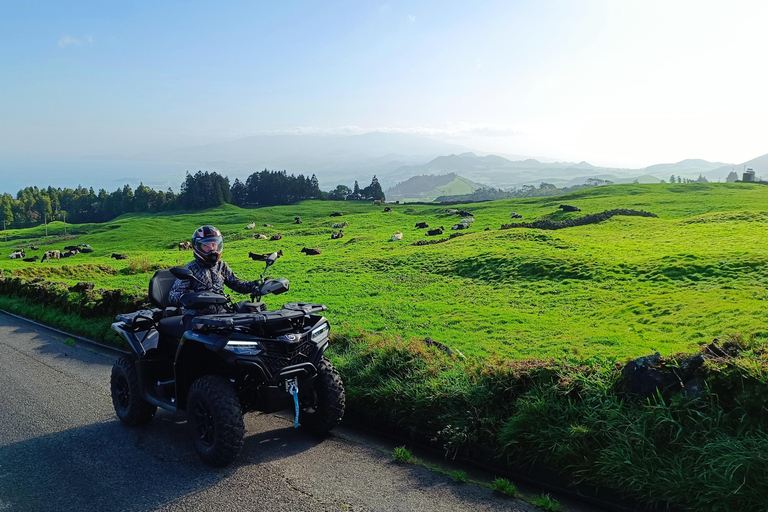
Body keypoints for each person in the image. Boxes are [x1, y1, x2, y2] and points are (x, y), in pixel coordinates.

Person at [169, 225, 259, 325]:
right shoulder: (190, 269)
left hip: (222, 315)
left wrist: (257, 284)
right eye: (206, 245)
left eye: (214, 244)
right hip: (196, 317)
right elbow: (173, 296)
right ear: (197, 247)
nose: (212, 248)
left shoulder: (221, 265)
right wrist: (193, 298)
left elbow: (238, 285)